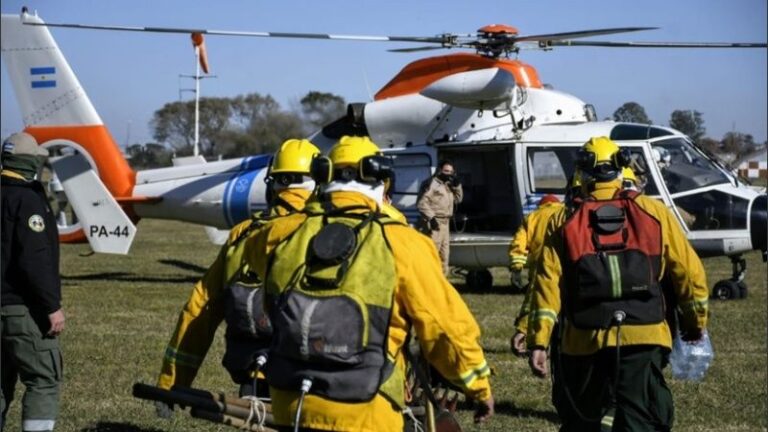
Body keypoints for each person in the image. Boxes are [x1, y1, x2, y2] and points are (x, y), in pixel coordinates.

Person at [243, 136, 493, 431]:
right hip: (366, 409)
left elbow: (255, 253)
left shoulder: (277, 237)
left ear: (323, 176)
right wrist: (478, 386)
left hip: (290, 405)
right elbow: (445, 327)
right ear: (383, 181)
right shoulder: (404, 243)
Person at [527, 136, 709, 431]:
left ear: (582, 172)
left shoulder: (564, 221)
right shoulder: (655, 212)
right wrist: (695, 323)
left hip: (583, 341)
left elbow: (547, 285)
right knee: (641, 419)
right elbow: (689, 274)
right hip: (645, 336)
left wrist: (538, 340)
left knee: (583, 421)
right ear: (623, 168)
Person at [156, 139, 320, 399]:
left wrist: (172, 382)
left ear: (272, 185)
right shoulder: (330, 233)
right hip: (315, 378)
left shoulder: (243, 235)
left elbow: (200, 307)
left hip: (254, 376)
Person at [1, 132, 65, 432]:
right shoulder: (27, 200)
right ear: (28, 162)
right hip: (21, 309)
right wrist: (51, 306)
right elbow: (34, 259)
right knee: (43, 379)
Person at [507, 194, 563, 356]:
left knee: (535, 303)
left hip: (539, 267)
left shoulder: (532, 217)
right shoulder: (565, 213)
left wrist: (517, 267)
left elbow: (519, 243)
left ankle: (523, 335)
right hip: (562, 265)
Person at [416, 160, 463, 274]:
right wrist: (431, 218)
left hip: (445, 223)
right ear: (439, 170)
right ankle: (428, 281)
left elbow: (458, 199)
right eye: (446, 171)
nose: (448, 174)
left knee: (444, 255)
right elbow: (422, 203)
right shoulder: (431, 183)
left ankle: (442, 283)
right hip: (434, 223)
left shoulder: (447, 185)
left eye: (451, 172)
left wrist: (457, 186)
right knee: (432, 254)